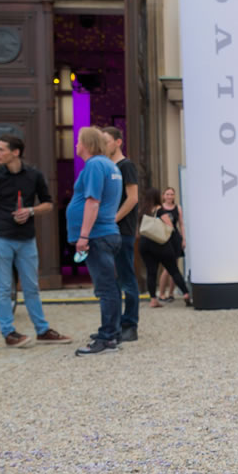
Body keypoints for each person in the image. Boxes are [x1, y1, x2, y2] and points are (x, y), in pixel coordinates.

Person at [0, 135, 72, 348]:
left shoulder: (34, 175)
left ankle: (42, 331)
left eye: (1, 149)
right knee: (3, 288)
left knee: (31, 287)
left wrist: (30, 211)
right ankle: (9, 333)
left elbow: (48, 204)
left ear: (15, 152)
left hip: (27, 239)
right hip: (0, 238)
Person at [66, 126, 124, 356]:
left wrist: (83, 236)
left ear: (88, 144)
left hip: (98, 235)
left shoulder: (94, 165)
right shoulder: (110, 165)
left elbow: (92, 201)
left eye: (79, 141)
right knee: (111, 286)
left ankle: (107, 339)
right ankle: (113, 332)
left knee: (105, 288)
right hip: (107, 233)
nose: (76, 145)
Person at [101, 126, 140, 342]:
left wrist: (113, 219)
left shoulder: (126, 166)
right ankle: (114, 325)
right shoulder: (107, 167)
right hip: (108, 230)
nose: (103, 145)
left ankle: (130, 324)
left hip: (122, 230)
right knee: (111, 280)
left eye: (106, 141)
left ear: (118, 142)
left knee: (127, 278)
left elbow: (133, 198)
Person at [138, 187, 193, 308]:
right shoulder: (160, 210)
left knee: (151, 272)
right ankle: (186, 294)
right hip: (160, 244)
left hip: (145, 243)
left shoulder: (142, 210)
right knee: (173, 269)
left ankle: (153, 300)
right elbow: (170, 226)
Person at [154, 186, 185, 301]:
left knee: (175, 268)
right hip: (164, 239)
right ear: (163, 196)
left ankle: (171, 293)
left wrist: (183, 238)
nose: (169, 196)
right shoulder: (159, 208)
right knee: (167, 268)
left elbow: (181, 224)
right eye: (167, 194)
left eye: (172, 194)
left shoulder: (178, 208)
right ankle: (161, 293)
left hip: (175, 238)